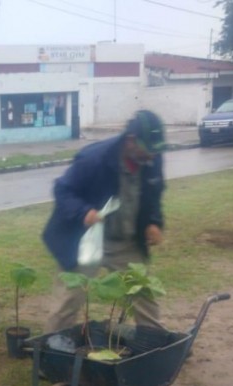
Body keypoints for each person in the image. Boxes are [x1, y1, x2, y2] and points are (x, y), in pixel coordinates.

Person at [41, 109, 168, 333]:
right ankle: (51, 348)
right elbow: (62, 190)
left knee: (142, 292)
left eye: (156, 152)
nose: (152, 157)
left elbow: (154, 192)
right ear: (130, 141)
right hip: (86, 240)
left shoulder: (151, 160)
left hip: (124, 242)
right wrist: (83, 212)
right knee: (69, 297)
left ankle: (157, 343)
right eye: (148, 150)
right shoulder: (95, 159)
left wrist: (153, 222)